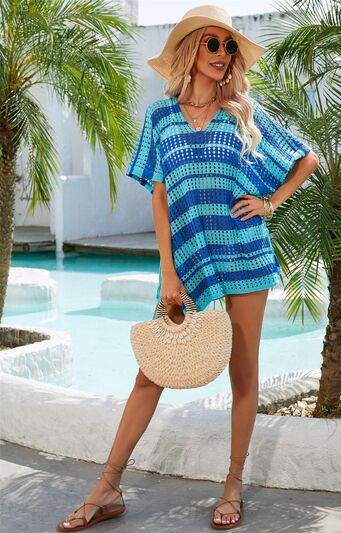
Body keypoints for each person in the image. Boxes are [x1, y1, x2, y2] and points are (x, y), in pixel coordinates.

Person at [57, 4, 319, 531]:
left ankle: (233, 486)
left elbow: (305, 158)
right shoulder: (161, 116)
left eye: (230, 46)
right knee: (151, 372)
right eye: (212, 43)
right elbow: (159, 196)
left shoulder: (242, 113)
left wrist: (270, 203)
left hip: (244, 252)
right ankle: (107, 487)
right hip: (185, 259)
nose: (222, 54)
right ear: (190, 50)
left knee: (243, 374)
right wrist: (169, 271)